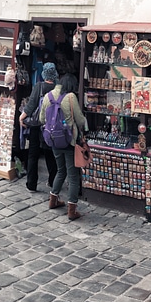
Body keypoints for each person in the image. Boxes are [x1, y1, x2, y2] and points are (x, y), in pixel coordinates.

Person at [40, 73, 87, 220]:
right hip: (68, 141)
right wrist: (85, 125)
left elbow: (42, 118)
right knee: (73, 175)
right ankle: (72, 210)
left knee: (61, 171)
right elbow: (79, 119)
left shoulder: (48, 96)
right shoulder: (71, 97)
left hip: (53, 140)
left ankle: (53, 200)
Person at [19, 62, 59, 192]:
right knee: (50, 154)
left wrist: (22, 117)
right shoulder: (58, 88)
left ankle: (31, 184)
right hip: (51, 126)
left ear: (44, 73)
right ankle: (52, 181)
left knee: (33, 154)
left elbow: (31, 105)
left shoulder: (39, 86)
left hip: (37, 125)